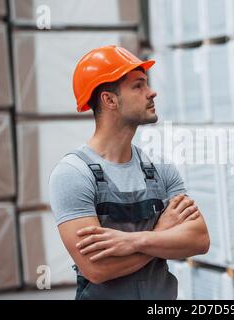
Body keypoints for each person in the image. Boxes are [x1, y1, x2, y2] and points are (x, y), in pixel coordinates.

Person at [49, 45, 210, 300]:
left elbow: (199, 240)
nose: (152, 92)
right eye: (138, 86)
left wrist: (134, 242)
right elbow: (97, 269)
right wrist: (160, 235)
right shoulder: (73, 174)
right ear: (109, 100)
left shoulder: (160, 169)